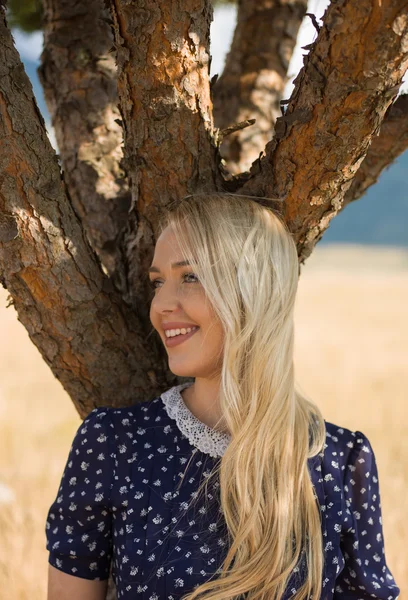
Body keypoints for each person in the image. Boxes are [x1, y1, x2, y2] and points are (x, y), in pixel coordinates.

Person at [45, 193, 399, 600]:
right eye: (158, 281)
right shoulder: (113, 443)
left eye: (189, 277)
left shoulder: (339, 461)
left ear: (253, 290)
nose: (161, 304)